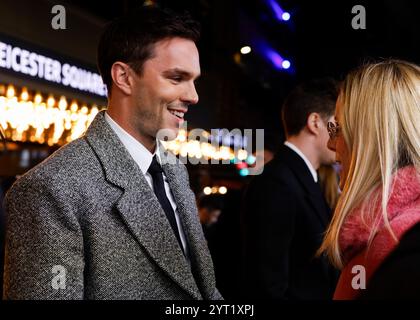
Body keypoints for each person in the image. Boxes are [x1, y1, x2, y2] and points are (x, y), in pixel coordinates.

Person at [3, 6, 222, 300]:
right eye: (176, 78)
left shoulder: (174, 169)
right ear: (124, 77)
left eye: (193, 80)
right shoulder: (50, 189)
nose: (193, 96)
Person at [318, 59, 420, 299]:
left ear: (372, 138)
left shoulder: (393, 242)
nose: (331, 144)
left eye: (338, 129)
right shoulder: (389, 232)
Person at [241, 78, 339, 299]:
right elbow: (267, 287)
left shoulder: (301, 177)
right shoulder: (276, 183)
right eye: (337, 124)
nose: (342, 134)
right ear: (315, 122)